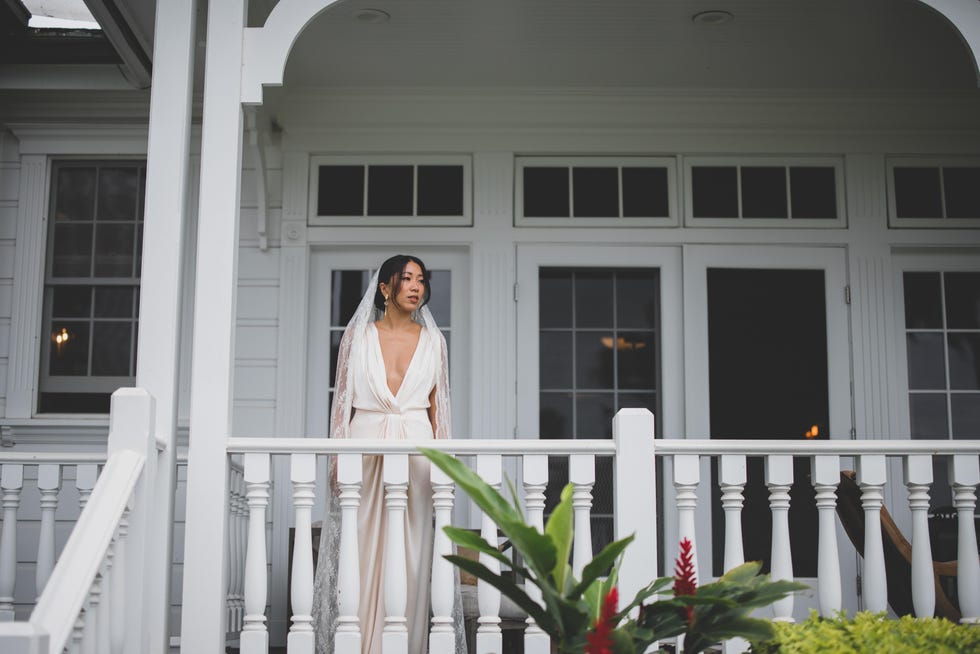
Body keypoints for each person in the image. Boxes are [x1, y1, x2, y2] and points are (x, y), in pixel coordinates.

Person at [312, 255, 465, 654]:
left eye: (421, 280)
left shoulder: (435, 341)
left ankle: (406, 646)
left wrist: (445, 468)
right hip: (363, 450)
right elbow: (341, 402)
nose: (416, 287)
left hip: (417, 453)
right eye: (407, 279)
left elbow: (440, 406)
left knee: (411, 555)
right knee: (359, 552)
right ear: (385, 288)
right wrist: (335, 461)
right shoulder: (357, 337)